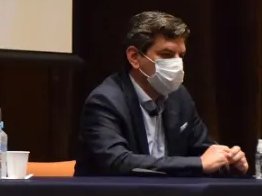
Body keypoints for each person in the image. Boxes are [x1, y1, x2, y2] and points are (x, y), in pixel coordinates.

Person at [75, 11, 248, 177]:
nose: (177, 63)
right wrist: (199, 164)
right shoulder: (105, 101)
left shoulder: (179, 97)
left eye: (181, 55)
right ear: (134, 57)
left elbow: (204, 152)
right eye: (167, 54)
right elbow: (118, 162)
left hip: (167, 195)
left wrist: (228, 161)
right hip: (113, 195)